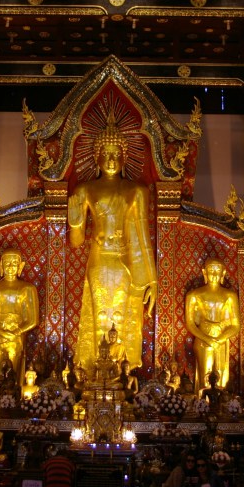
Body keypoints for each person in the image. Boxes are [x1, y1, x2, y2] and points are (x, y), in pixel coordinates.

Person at [68, 111, 158, 370]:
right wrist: (75, 223)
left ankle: (120, 369)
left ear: (124, 157)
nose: (111, 159)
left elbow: (143, 237)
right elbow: (76, 242)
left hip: (124, 262)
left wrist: (151, 279)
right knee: (100, 315)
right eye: (105, 154)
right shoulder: (85, 190)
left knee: (121, 313)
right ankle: (95, 370)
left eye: (116, 154)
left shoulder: (136, 191)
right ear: (96, 157)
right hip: (98, 260)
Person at [0, 248, 40, 380]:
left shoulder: (28, 288)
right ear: (0, 265)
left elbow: (33, 320)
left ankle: (13, 394)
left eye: (14, 263)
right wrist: (2, 332)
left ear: (21, 266)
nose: (10, 266)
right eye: (7, 263)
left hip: (17, 335)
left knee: (12, 372)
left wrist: (17, 331)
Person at [185, 258, 241, 391]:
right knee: (206, 376)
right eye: (211, 270)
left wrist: (219, 339)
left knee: (221, 377)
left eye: (218, 270)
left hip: (222, 339)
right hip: (203, 339)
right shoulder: (194, 295)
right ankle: (203, 405)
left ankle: (222, 405)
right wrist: (208, 339)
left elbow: (235, 325)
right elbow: (190, 324)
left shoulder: (230, 296)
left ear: (223, 273)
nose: (214, 274)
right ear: (204, 272)